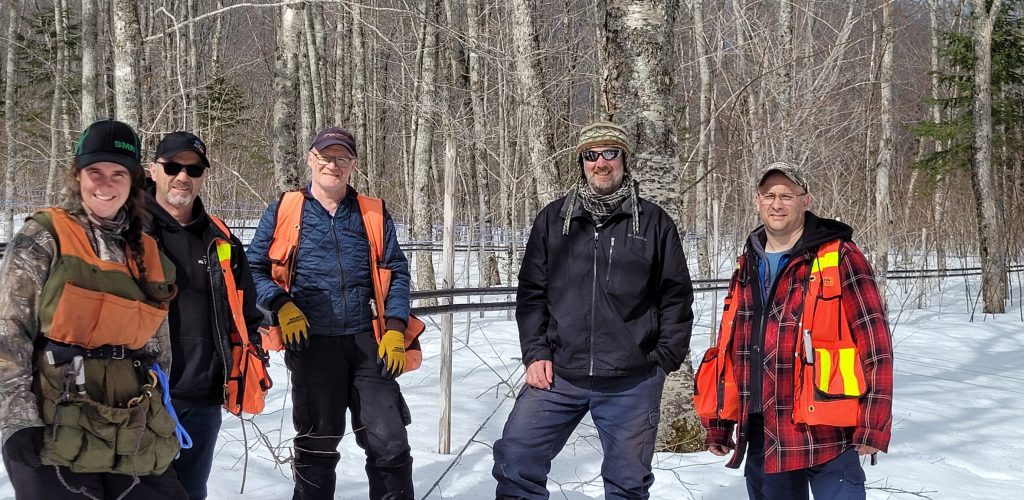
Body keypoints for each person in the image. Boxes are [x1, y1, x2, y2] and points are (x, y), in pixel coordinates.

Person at [492, 121, 695, 499]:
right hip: (559, 376)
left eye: (610, 153)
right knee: (516, 461)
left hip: (631, 380)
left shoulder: (653, 223)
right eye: (591, 155)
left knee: (627, 484)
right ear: (581, 162)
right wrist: (536, 353)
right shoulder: (554, 220)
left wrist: (662, 360)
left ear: (624, 160)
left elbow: (676, 297)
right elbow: (532, 293)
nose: (601, 163)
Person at [0, 119, 188, 499]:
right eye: (95, 171)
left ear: (134, 181)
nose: (106, 184)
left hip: (133, 423)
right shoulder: (44, 236)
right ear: (77, 175)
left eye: (118, 173)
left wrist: (162, 415)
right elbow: (8, 331)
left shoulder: (147, 251)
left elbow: (158, 350)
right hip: (56, 424)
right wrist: (17, 421)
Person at [701, 162, 893, 500]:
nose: (777, 204)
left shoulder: (840, 256)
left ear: (806, 200)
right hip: (764, 429)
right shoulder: (747, 263)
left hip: (828, 428)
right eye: (770, 195)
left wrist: (874, 423)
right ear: (757, 201)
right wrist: (720, 419)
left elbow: (875, 344)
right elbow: (731, 349)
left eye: (787, 195)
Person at [246, 126, 414, 500]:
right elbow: (252, 269)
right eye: (325, 157)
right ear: (311, 158)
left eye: (342, 158)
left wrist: (396, 328)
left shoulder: (372, 212)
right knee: (317, 444)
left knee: (388, 441)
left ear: (353, 165)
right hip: (312, 342)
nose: (333, 166)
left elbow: (397, 271)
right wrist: (280, 304)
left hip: (369, 342)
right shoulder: (285, 210)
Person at [143, 131, 265, 500]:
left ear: (203, 176)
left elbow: (246, 311)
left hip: (202, 397)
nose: (183, 176)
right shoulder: (128, 231)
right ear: (153, 170)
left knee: (191, 492)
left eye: (193, 169)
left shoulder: (220, 239)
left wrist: (250, 356)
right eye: (173, 166)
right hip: (141, 395)